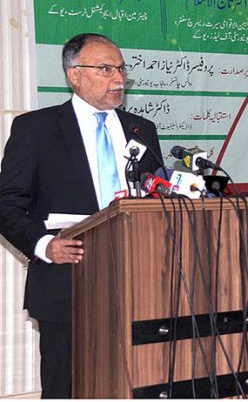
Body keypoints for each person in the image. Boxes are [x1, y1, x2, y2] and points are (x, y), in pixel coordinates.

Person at [0, 33, 163, 398]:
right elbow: (6, 203)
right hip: (66, 284)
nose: (118, 79)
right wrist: (44, 245)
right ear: (74, 75)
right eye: (105, 69)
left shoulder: (142, 130)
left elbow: (158, 201)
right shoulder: (36, 129)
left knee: (140, 385)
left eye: (120, 69)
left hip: (141, 283)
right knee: (67, 388)